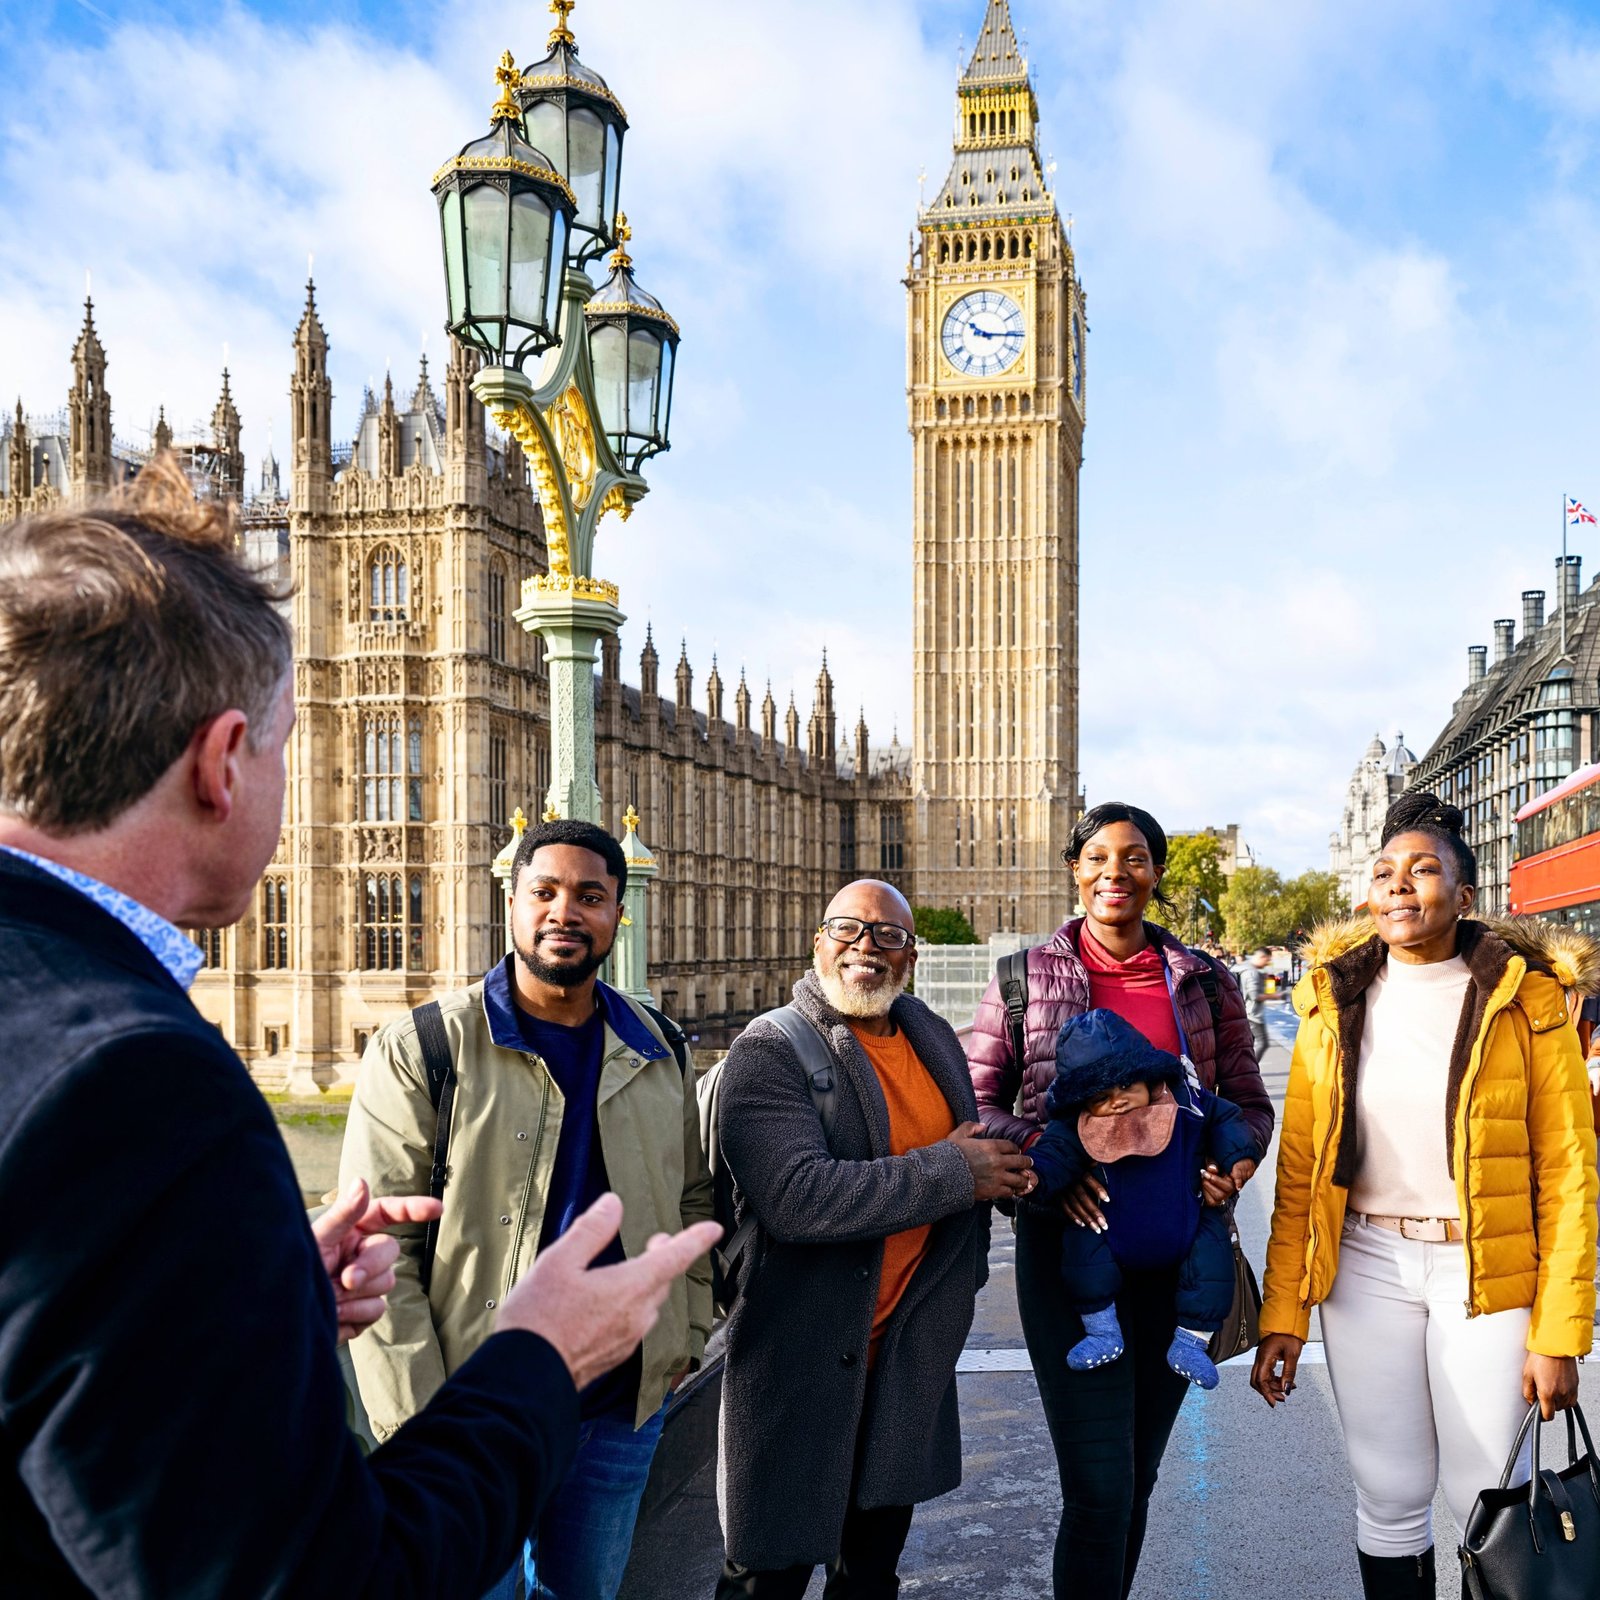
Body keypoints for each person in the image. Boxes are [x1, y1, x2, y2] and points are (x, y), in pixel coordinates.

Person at [0, 459, 720, 1599]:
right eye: (287, 743)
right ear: (222, 760)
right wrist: (535, 1356)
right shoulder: (134, 1084)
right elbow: (303, 1577)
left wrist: (266, 1294)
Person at [341, 817, 713, 1600]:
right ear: (510, 902)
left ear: (620, 912)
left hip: (618, 1410)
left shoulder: (662, 1046)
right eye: (544, 892)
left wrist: (684, 1333)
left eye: (590, 896)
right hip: (473, 1414)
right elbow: (377, 1251)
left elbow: (691, 1199)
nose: (564, 912)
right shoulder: (422, 1048)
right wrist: (419, 1425)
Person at [1252, 792, 1599, 1600]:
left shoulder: (1531, 1001)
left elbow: (1571, 1170)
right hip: (1366, 1264)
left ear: (1466, 897)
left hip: (1485, 1270)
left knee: (1486, 1495)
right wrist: (1283, 1315)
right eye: (1383, 872)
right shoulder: (1328, 1002)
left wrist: (1561, 1334)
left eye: (1422, 870)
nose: (1398, 885)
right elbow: (1302, 1172)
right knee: (1388, 1494)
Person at [966, 801, 1273, 1600]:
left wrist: (1230, 1171)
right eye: (1098, 857)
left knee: (1134, 1481)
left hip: (1178, 1253)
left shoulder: (1202, 980)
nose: (1116, 873)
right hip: (1073, 1256)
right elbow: (977, 1099)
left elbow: (1246, 1098)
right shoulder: (1024, 978)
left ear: (1157, 873)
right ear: (1076, 869)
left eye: (1135, 857)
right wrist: (1047, 1169)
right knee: (1098, 1488)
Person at [713, 878, 1034, 1597]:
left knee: (870, 1575)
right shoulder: (769, 1051)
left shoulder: (933, 1041)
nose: (867, 946)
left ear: (911, 956)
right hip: (799, 1364)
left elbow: (974, 1160)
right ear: (818, 944)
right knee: (768, 1574)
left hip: (903, 1362)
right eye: (849, 930)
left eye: (888, 935)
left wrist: (1013, 1180)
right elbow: (799, 1198)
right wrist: (956, 1171)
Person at [1027, 1009, 1260, 1390]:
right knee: (1083, 1257)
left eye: (1126, 1087)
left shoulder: (1185, 1102)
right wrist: (1033, 1174)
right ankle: (1102, 1331)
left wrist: (1238, 1157)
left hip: (1187, 1220)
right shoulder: (1076, 1127)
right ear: (1082, 1102)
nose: (1117, 1101)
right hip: (1107, 1224)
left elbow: (1226, 1118)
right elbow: (1054, 1152)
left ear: (1149, 1077)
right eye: (1101, 1097)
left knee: (1210, 1264)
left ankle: (1191, 1343)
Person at [1237, 947, 1272, 1062]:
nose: (1267, 963)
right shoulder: (1252, 972)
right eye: (1267, 960)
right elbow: (1255, 996)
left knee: (1247, 1045)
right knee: (1263, 1043)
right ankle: (1251, 1068)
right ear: (1262, 957)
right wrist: (1276, 996)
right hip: (1252, 1014)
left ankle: (1248, 1068)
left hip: (1245, 1012)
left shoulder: (1245, 968)